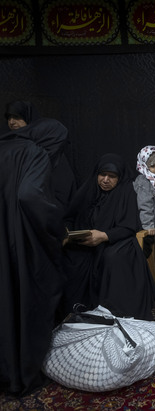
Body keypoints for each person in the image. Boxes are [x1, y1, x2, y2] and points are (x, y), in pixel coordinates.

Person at [0, 129, 65, 395]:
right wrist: (56, 226)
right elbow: (29, 195)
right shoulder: (34, 153)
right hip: (18, 238)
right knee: (22, 298)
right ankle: (21, 374)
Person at [62, 153, 155, 321]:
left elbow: (129, 226)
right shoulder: (89, 189)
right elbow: (70, 215)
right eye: (102, 174)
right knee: (67, 256)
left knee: (114, 257)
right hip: (86, 242)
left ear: (119, 177)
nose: (105, 180)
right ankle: (76, 309)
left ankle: (112, 311)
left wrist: (104, 236)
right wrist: (69, 233)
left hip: (115, 239)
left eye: (112, 176)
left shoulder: (127, 190)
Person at [4, 101, 77, 213]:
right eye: (9, 118)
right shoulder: (9, 146)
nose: (11, 122)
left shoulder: (48, 146)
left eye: (17, 117)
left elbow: (62, 187)